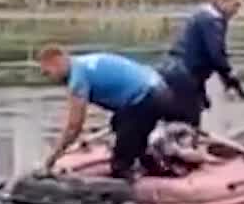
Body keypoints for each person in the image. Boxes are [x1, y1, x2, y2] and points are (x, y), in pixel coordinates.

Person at [36, 46, 175, 180]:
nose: (50, 78)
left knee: (120, 164)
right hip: (157, 88)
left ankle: (129, 189)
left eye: (48, 73)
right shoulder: (82, 64)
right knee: (119, 123)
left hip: (147, 96)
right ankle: (149, 160)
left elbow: (74, 127)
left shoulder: (78, 79)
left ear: (57, 62)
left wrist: (51, 159)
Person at [159, 0, 244, 128]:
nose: (237, 11)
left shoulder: (202, 15)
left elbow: (202, 57)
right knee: (189, 124)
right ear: (222, 1)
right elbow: (217, 56)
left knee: (178, 119)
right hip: (182, 76)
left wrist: (202, 91)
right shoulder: (212, 21)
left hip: (175, 71)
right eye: (236, 5)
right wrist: (230, 78)